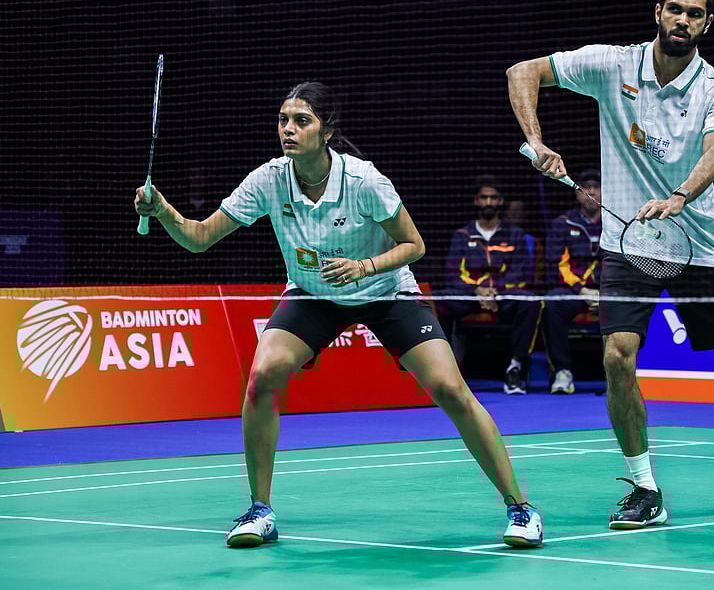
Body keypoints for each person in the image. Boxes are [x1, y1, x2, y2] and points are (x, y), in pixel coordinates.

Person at [133, 82, 542, 549]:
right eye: (283, 120)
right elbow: (200, 237)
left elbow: (414, 245)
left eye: (301, 121)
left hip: (385, 290)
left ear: (326, 130)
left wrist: (364, 266)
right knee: (263, 376)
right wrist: (162, 209)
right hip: (314, 294)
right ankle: (260, 510)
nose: (288, 130)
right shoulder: (269, 179)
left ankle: (520, 508)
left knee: (450, 389)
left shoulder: (364, 181)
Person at [506, 0, 714, 529]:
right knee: (617, 354)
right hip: (628, 239)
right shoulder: (613, 65)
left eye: (695, 13)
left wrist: (680, 195)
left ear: (707, 24)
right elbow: (523, 72)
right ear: (658, 12)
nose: (683, 19)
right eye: (675, 9)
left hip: (695, 240)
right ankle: (644, 488)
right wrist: (536, 142)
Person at [438, 175, 542, 394]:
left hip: (503, 296)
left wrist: (496, 290)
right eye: (484, 197)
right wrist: (477, 290)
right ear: (476, 201)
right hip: (470, 296)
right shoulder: (462, 235)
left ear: (500, 201)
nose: (488, 202)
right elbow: (452, 274)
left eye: (493, 198)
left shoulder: (515, 234)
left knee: (531, 302)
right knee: (439, 302)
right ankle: (444, 369)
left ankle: (516, 367)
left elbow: (521, 271)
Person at [542, 168, 603, 394]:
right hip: (575, 292)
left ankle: (623, 372)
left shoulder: (615, 222)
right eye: (586, 188)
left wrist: (604, 292)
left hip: (607, 292)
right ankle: (562, 371)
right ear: (577, 192)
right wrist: (582, 291)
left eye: (596, 187)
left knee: (630, 303)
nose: (591, 192)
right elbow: (555, 263)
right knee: (552, 303)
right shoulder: (563, 223)